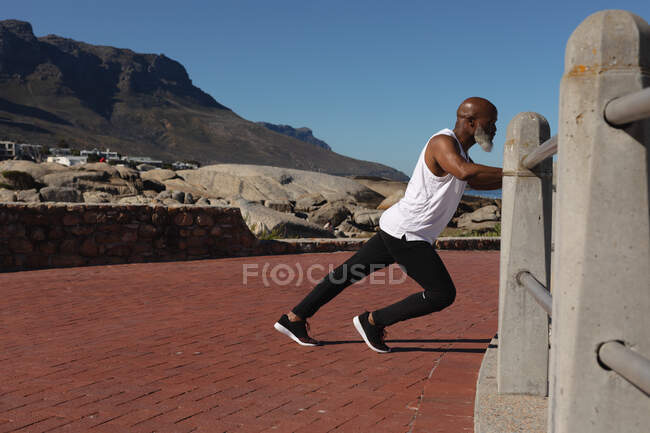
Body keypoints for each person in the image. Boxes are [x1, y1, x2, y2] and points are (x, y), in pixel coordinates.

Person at [274, 97, 502, 353]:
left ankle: (294, 318)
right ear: (471, 122)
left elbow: (476, 180)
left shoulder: (462, 153)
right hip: (408, 233)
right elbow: (465, 172)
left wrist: (516, 178)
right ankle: (372, 321)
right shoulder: (443, 142)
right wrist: (514, 171)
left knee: (346, 274)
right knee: (441, 294)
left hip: (399, 228)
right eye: (491, 122)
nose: (495, 128)